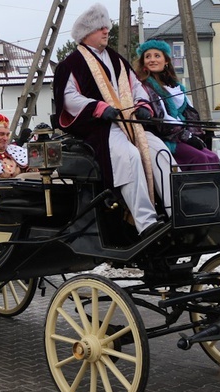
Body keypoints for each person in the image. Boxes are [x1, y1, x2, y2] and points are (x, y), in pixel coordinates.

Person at [52, 3, 172, 238]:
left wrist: (143, 105)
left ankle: (172, 212)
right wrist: (98, 108)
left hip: (129, 124)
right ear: (86, 34)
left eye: (107, 27)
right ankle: (146, 223)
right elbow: (68, 98)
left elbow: (135, 86)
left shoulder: (117, 59)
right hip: (100, 129)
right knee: (130, 156)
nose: (107, 31)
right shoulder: (71, 64)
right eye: (101, 28)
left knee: (160, 152)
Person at [135, 39, 220, 171]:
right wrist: (187, 136)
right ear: (143, 63)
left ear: (166, 61)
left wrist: (196, 134)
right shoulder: (145, 86)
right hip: (166, 138)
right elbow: (161, 119)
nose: (152, 60)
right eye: (148, 56)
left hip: (182, 136)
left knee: (213, 157)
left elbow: (190, 115)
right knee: (199, 159)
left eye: (157, 56)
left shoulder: (176, 87)